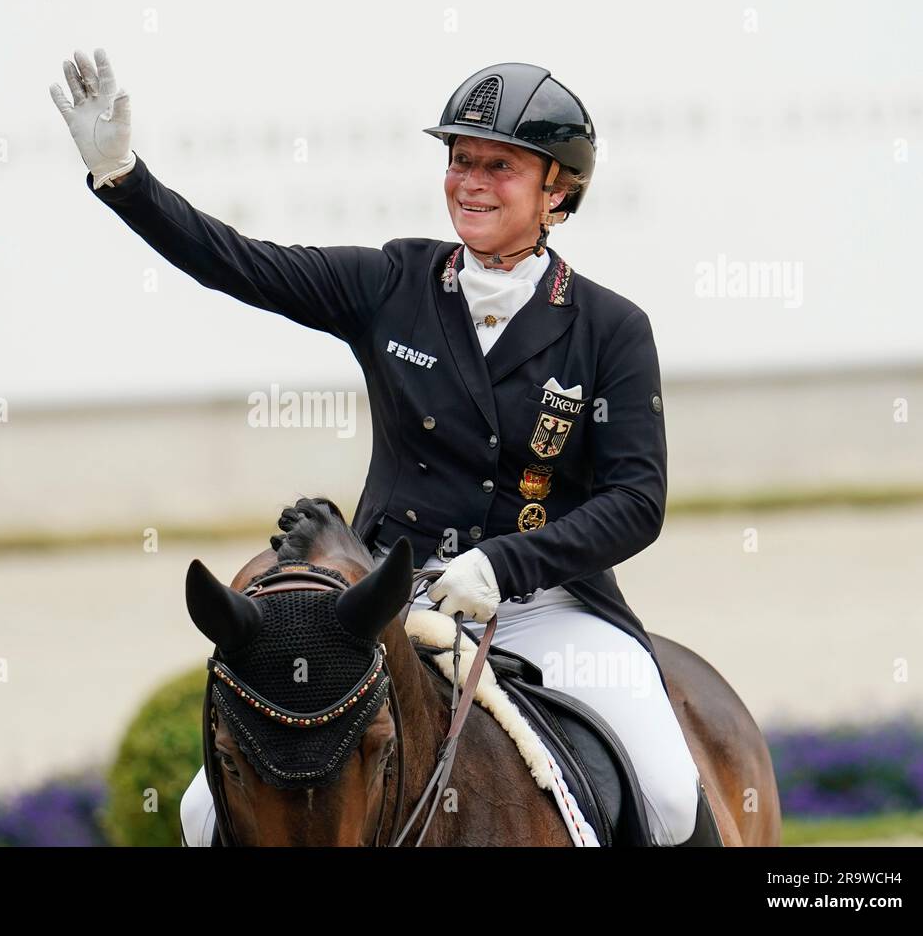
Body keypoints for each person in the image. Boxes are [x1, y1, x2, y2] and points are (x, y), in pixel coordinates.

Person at [51, 49, 722, 846]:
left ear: (558, 188)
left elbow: (636, 504)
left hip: (545, 608)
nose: (470, 181)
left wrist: (502, 566)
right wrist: (124, 177)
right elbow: (237, 263)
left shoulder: (610, 328)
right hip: (381, 608)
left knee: (672, 794)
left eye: (498, 166)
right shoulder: (392, 284)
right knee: (202, 813)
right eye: (459, 160)